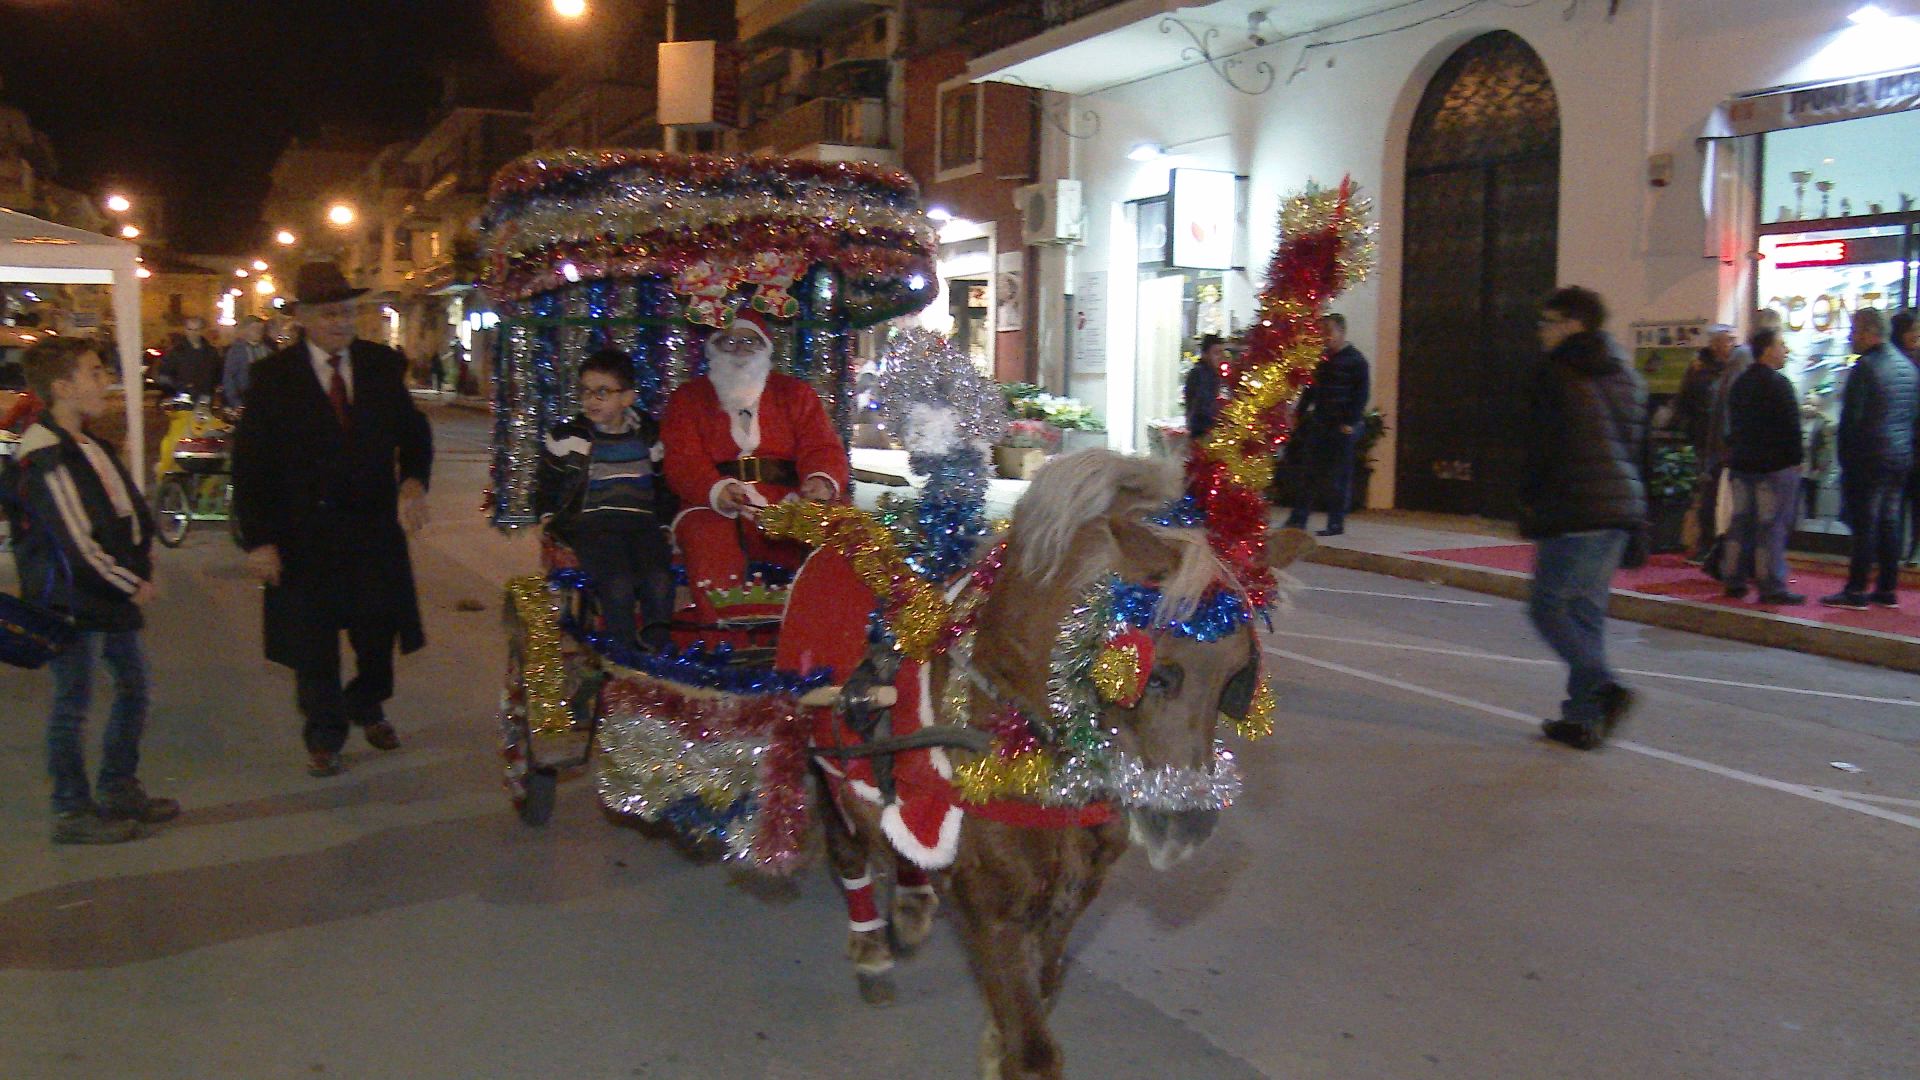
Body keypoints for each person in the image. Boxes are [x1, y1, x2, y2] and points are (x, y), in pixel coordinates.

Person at [232, 262, 433, 777]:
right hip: (305, 538)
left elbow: (414, 433)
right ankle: (324, 734)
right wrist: (259, 541)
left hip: (372, 533)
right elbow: (251, 465)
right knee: (313, 646)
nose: (341, 322)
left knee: (377, 635)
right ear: (302, 318)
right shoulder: (273, 378)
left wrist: (413, 481)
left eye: (346, 311)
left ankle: (367, 701)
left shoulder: (381, 365)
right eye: (328, 313)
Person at [10, 337, 178, 842]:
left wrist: (140, 563)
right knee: (74, 702)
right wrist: (131, 583)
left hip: (104, 595)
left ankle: (117, 787)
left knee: (134, 688)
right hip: (71, 599)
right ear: (61, 388)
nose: (104, 379)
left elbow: (124, 514)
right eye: (92, 372)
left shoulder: (88, 444)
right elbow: (74, 542)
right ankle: (72, 810)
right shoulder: (44, 454)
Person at [1521, 287, 1648, 751]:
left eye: (1547, 320)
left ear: (1574, 323)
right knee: (1587, 613)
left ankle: (1603, 686)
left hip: (1574, 507)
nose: (1541, 329)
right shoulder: (1627, 376)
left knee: (1547, 606)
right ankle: (1581, 719)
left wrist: (1530, 504)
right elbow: (1637, 449)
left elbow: (1542, 448)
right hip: (1619, 509)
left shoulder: (1555, 374)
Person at [660, 309, 847, 624]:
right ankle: (725, 641)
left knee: (841, 531)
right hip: (716, 502)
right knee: (709, 538)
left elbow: (823, 446)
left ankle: (820, 636)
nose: (739, 350)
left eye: (749, 341)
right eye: (728, 342)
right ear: (714, 349)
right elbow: (682, 459)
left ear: (765, 348)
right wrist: (717, 490)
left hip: (789, 499)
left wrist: (820, 482)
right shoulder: (688, 398)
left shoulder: (795, 394)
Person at [535, 348, 673, 651]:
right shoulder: (568, 437)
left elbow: (663, 485)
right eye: (585, 392)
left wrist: (664, 524)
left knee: (659, 578)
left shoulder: (649, 435)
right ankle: (622, 653)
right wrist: (547, 518)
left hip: (641, 524)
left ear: (627, 398)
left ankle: (658, 649)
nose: (590, 400)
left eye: (602, 392)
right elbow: (547, 483)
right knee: (618, 582)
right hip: (591, 524)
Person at [1820, 307, 1917, 610]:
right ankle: (1887, 587)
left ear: (1866, 332)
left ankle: (1856, 589)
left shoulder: (1866, 367)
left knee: (1865, 525)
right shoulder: (1906, 366)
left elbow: (1852, 421)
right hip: (1899, 455)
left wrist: (1845, 461)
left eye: (1854, 330)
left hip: (1868, 457)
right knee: (1889, 522)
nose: (1851, 336)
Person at [1720, 328, 1805, 605]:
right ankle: (1770, 584)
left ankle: (1733, 577)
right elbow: (1791, 428)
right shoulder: (1779, 384)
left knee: (1740, 522)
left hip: (1742, 465)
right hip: (1773, 467)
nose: (1786, 350)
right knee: (1771, 526)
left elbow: (1731, 424)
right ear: (1768, 350)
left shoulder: (1741, 383)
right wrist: (1796, 460)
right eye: (1781, 345)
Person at [1284, 313, 1370, 537]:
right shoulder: (1321, 360)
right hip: (1321, 423)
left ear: (1341, 332)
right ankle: (1298, 519)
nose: (1325, 338)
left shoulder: (1356, 361)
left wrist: (1350, 422)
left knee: (1339, 476)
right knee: (1309, 473)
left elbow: (1361, 395)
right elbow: (1310, 391)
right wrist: (1299, 414)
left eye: (1328, 332)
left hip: (1342, 426)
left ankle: (1335, 522)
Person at [1677, 323, 1735, 563]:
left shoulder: (1730, 369)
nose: (1731, 345)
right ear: (1715, 343)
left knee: (1720, 495)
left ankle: (1718, 544)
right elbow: (1687, 403)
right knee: (1708, 493)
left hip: (1725, 442)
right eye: (1727, 340)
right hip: (1706, 441)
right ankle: (1705, 544)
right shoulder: (1699, 370)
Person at [157, 315, 222, 401]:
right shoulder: (176, 352)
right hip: (182, 398)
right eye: (189, 329)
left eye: (196, 330)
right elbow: (164, 376)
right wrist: (180, 386)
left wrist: (213, 388)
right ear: (185, 330)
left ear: (201, 331)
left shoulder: (211, 352)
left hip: (205, 397)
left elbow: (218, 373)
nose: (193, 333)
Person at [1183, 333, 1227, 442]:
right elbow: (1204, 405)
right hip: (1203, 431)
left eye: (1222, 353)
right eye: (1216, 353)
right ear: (1205, 354)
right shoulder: (1201, 374)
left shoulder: (1212, 374)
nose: (1220, 357)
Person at [221, 315, 270, 411]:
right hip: (244, 399)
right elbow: (229, 377)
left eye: (260, 329)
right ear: (246, 330)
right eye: (254, 328)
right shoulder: (236, 351)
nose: (258, 331)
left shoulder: (268, 351)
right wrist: (236, 403)